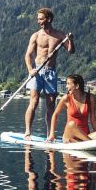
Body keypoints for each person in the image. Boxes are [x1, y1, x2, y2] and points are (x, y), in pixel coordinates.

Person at [23, 7, 74, 138]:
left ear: (48, 19)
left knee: (51, 104)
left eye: (40, 18)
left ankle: (49, 134)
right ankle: (28, 131)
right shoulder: (36, 36)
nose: (38, 21)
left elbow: (70, 50)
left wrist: (71, 40)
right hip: (36, 72)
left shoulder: (60, 35)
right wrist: (30, 70)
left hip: (50, 72)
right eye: (38, 19)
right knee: (33, 101)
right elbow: (28, 55)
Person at [50, 73, 96, 143]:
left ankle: (85, 142)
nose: (66, 86)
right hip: (69, 135)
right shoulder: (66, 98)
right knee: (71, 124)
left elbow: (93, 118)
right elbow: (55, 115)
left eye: (68, 84)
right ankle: (90, 143)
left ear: (77, 86)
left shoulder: (91, 98)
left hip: (86, 136)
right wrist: (52, 134)